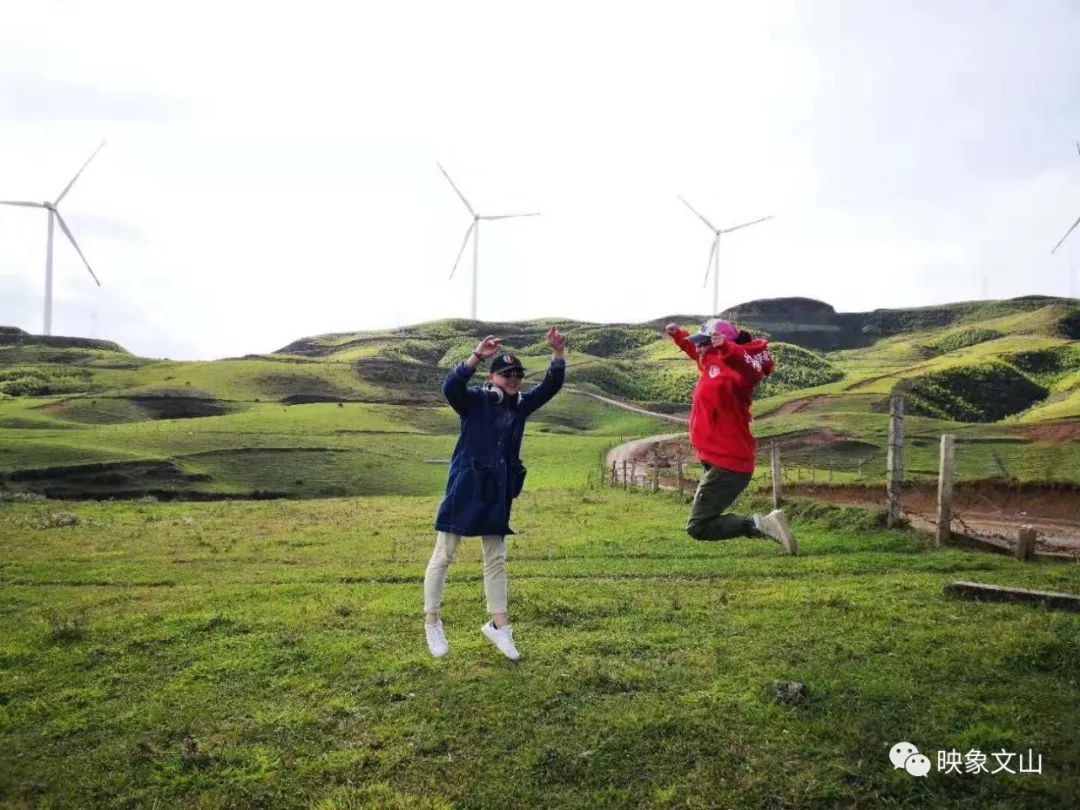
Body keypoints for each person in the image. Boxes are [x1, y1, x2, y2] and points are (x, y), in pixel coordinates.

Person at [423, 328, 568, 659]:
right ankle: (432, 622)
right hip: (465, 487)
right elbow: (450, 387)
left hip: (497, 493)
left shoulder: (521, 405)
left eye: (517, 375)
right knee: (444, 555)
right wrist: (476, 356)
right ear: (492, 377)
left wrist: (558, 354)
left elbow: (550, 386)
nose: (513, 380)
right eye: (506, 375)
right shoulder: (474, 402)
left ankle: (499, 627)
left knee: (496, 558)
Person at [665, 317, 797, 554]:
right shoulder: (711, 362)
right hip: (716, 458)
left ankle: (761, 525)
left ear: (718, 344)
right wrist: (679, 336)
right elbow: (698, 354)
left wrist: (728, 349)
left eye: (703, 343)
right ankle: (763, 524)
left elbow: (752, 371)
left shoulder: (738, 373)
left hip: (729, 462)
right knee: (703, 519)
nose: (699, 348)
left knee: (699, 526)